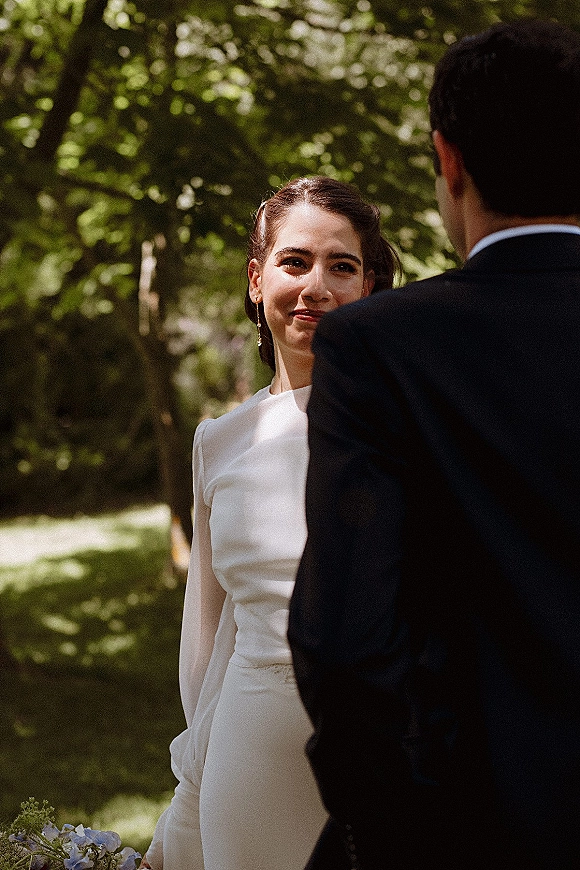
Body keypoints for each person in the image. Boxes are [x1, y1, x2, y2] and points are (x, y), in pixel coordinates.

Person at [288, 18, 580, 870]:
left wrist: (393, 835)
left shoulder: (381, 347)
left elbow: (346, 641)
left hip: (469, 831)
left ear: (447, 159)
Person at [140, 175, 400, 870]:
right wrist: (197, 770)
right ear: (257, 280)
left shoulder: (409, 424)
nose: (316, 286)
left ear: (370, 287)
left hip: (388, 745)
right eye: (295, 262)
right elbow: (209, 630)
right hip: (253, 754)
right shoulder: (220, 442)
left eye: (341, 267)